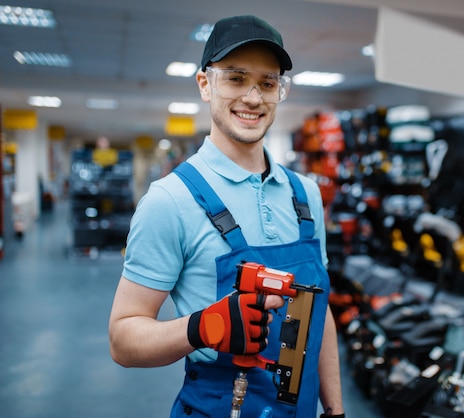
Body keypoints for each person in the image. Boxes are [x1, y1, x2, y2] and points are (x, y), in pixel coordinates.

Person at [108, 14, 345, 418]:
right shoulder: (170, 200)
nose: (253, 98)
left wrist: (335, 410)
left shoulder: (305, 194)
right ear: (206, 84)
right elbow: (123, 339)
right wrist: (202, 327)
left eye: (268, 83)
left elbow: (319, 313)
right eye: (236, 78)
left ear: (280, 91)